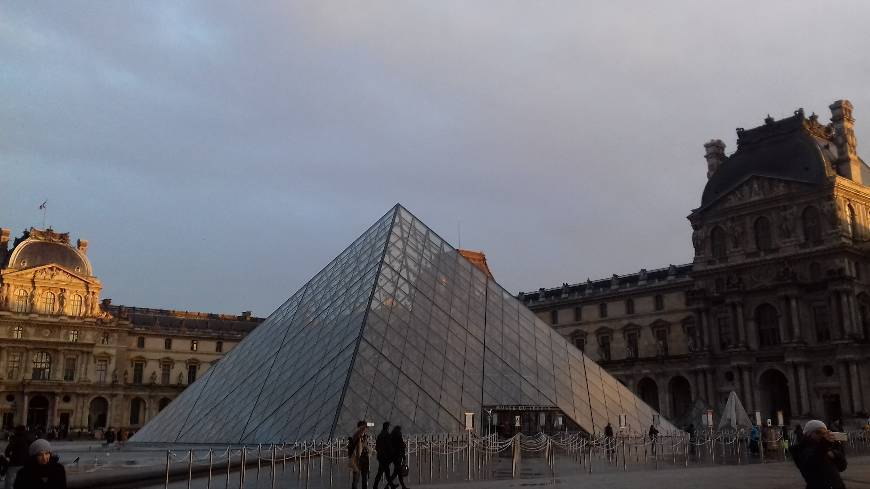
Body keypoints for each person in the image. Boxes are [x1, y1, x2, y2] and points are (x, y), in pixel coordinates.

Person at [792, 420, 847, 489]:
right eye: (819, 432)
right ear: (808, 434)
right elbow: (812, 461)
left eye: (825, 432)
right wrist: (825, 444)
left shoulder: (825, 446)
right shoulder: (800, 449)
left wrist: (836, 450)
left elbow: (842, 466)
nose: (822, 435)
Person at [373, 422, 396, 489]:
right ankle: (376, 486)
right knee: (383, 472)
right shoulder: (387, 435)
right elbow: (389, 446)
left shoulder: (380, 435)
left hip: (380, 456)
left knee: (383, 471)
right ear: (387, 427)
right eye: (388, 427)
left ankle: (390, 485)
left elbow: (377, 447)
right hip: (385, 457)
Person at [348, 421, 369, 489]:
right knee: (356, 479)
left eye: (366, 428)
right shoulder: (356, 436)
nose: (366, 429)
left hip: (364, 459)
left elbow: (365, 447)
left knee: (364, 478)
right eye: (364, 427)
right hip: (357, 459)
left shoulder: (365, 436)